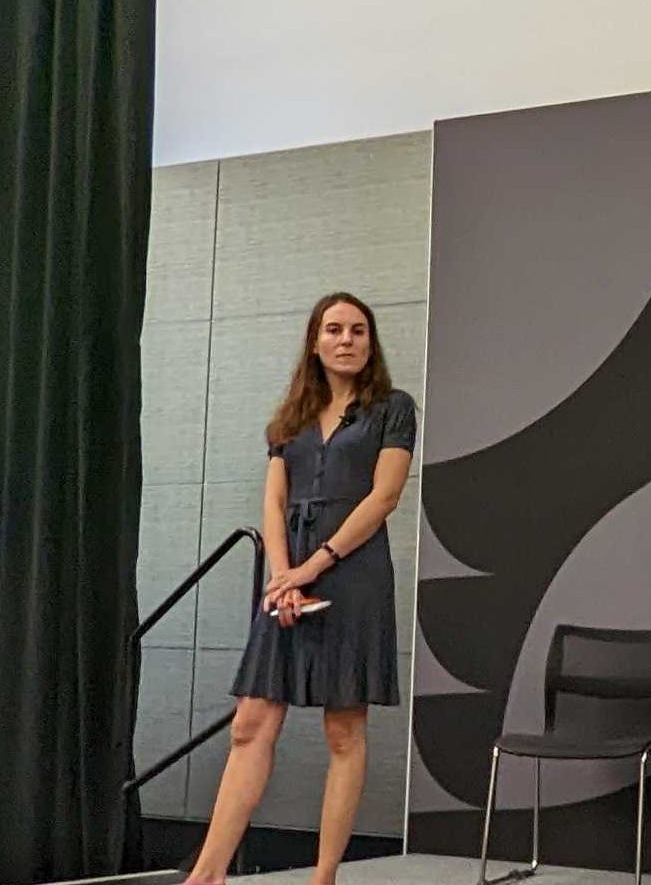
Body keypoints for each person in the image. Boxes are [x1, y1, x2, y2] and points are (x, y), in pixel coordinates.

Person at [186, 292, 417, 885]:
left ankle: (323, 877)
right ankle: (206, 875)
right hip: (288, 575)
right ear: (314, 341)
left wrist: (314, 566)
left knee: (344, 729)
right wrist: (283, 576)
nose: (347, 340)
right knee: (250, 723)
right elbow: (273, 501)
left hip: (354, 571)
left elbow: (384, 497)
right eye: (334, 329)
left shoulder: (393, 408)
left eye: (358, 331)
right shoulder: (288, 418)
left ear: (371, 342)